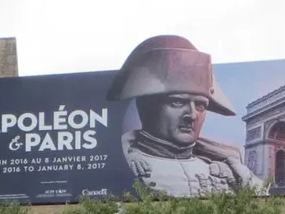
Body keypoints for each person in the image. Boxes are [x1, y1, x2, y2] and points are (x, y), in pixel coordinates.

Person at [108, 35, 262, 196]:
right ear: (145, 107)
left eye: (201, 105)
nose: (192, 115)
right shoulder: (123, 163)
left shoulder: (231, 170)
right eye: (177, 102)